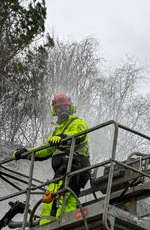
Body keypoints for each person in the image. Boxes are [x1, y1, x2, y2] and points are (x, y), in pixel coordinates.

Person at [12, 93, 91, 223]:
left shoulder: (78, 122)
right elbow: (46, 149)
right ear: (55, 111)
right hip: (65, 167)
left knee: (58, 194)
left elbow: (79, 134)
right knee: (60, 195)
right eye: (59, 109)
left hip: (75, 163)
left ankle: (57, 223)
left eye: (64, 108)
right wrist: (26, 152)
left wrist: (63, 137)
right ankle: (54, 222)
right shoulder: (57, 130)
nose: (62, 111)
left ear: (70, 108)